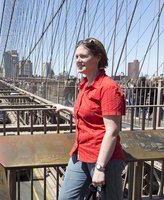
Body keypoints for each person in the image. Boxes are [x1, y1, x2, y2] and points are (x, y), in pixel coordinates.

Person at [53, 38, 126, 200]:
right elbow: (89, 112)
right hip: (81, 152)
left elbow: (112, 132)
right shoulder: (85, 85)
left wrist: (100, 168)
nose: (78, 61)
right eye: (76, 57)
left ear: (98, 57)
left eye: (83, 56)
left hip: (104, 159)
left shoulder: (108, 88)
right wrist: (64, 108)